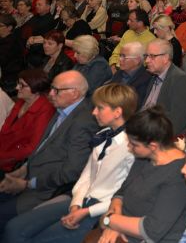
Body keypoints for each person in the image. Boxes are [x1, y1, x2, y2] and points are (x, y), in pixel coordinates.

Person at [2, 84, 137, 243]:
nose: (93, 112)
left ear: (118, 112)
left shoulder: (133, 147)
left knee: (36, 238)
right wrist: (75, 205)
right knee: (14, 227)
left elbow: (124, 195)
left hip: (102, 210)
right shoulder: (102, 135)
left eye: (99, 108)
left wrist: (85, 211)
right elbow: (86, 176)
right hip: (80, 200)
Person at [0, 70, 98, 233]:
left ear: (74, 93)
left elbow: (71, 172)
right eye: (51, 88)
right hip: (30, 176)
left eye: (56, 90)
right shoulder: (63, 108)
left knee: (6, 221)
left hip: (46, 190)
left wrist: (27, 184)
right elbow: (41, 148)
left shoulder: (83, 122)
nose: (51, 94)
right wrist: (21, 172)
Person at [84, 106, 186, 243]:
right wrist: (115, 223)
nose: (129, 148)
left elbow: (152, 230)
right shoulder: (145, 157)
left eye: (133, 144)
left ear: (153, 146)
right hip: (119, 229)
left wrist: (109, 220)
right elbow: (121, 193)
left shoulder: (181, 175)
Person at [0, 70, 55, 172]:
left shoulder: (45, 110)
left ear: (36, 88)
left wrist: (3, 157)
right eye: (18, 84)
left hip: (14, 162)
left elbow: (31, 148)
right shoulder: (22, 101)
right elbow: (5, 130)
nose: (17, 88)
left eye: (22, 85)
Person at [142, 39, 186, 135]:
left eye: (152, 56)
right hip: (144, 127)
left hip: (159, 135)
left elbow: (178, 121)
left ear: (166, 58)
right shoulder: (153, 75)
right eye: (146, 56)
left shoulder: (180, 80)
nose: (147, 61)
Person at [108, 9, 156, 73]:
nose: (128, 23)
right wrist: (113, 66)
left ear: (140, 23)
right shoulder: (128, 33)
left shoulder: (151, 40)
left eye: (131, 21)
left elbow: (145, 64)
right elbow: (116, 53)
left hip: (133, 74)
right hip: (117, 69)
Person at [109, 42, 151, 106]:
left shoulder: (145, 79)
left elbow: (134, 105)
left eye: (124, 56)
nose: (120, 59)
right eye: (120, 56)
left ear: (137, 60)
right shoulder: (120, 72)